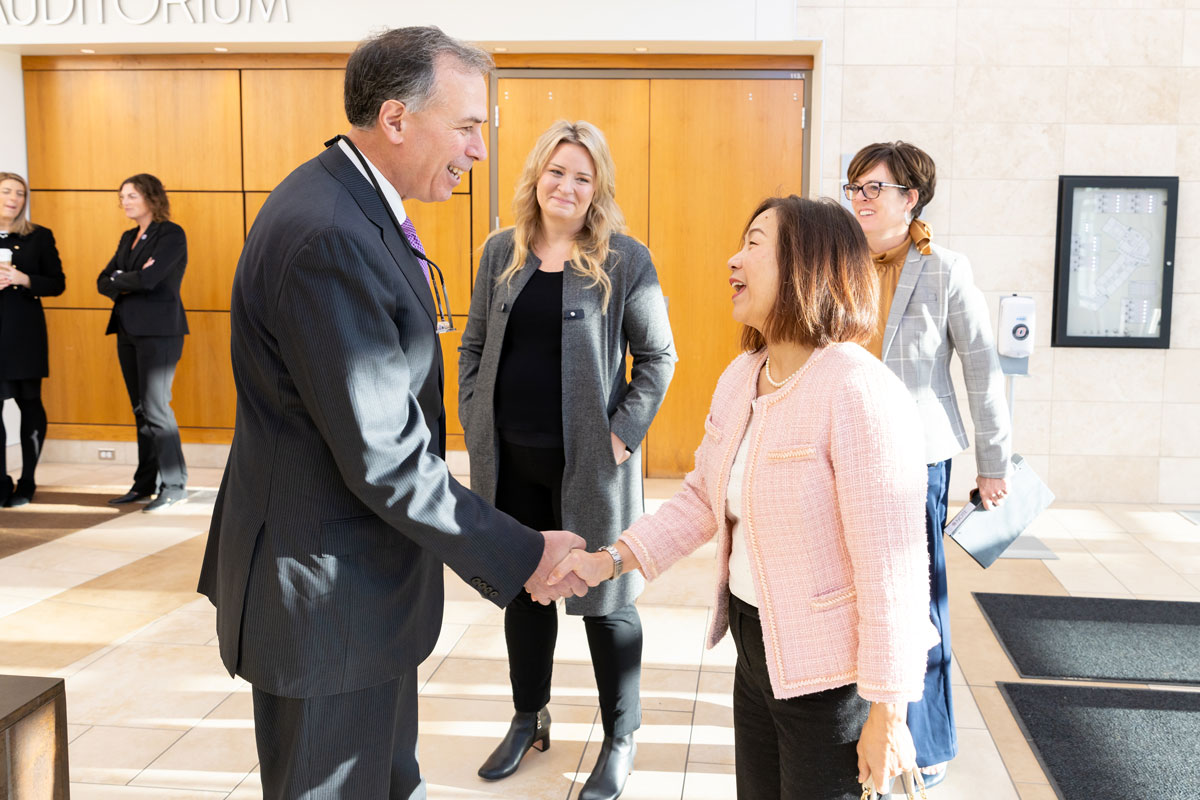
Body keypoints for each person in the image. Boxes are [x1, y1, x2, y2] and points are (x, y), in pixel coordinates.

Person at [196, 26, 588, 800]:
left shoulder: (348, 205)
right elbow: (385, 456)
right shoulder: (328, 235)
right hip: (325, 605)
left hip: (359, 598)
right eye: (468, 126)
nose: (480, 149)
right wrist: (522, 553)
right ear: (397, 119)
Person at [550, 196, 937, 800]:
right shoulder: (741, 377)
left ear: (808, 263)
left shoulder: (858, 390)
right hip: (757, 653)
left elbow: (894, 572)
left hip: (832, 681)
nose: (734, 258)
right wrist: (610, 559)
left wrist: (889, 711)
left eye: (755, 243)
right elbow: (702, 499)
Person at [459, 120, 675, 799]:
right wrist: (473, 418)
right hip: (510, 463)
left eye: (583, 177)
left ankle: (620, 736)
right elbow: (471, 347)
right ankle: (531, 717)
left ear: (597, 189)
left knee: (608, 603)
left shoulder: (625, 260)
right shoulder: (501, 251)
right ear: (537, 177)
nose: (567, 186)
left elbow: (658, 358)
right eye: (558, 172)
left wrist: (621, 435)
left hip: (591, 468)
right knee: (525, 591)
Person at [844, 141, 1012, 787]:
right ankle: (865, 722)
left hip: (918, 456)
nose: (860, 199)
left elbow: (982, 369)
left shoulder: (943, 268)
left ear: (910, 197)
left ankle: (930, 737)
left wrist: (993, 463)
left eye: (874, 188)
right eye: (854, 187)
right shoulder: (838, 263)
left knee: (919, 601)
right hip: (846, 449)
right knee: (859, 592)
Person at [96, 173, 189, 513]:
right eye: (122, 196)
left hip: (159, 332)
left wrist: (122, 278)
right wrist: (121, 278)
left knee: (155, 407)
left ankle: (175, 484)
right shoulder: (127, 237)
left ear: (151, 197)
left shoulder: (171, 234)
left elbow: (151, 279)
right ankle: (144, 483)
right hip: (127, 330)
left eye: (131, 195)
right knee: (140, 410)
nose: (125, 202)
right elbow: (102, 281)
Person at [0, 171, 65, 507]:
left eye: (20, 193)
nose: (14, 198)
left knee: (29, 405)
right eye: (8, 191)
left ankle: (27, 481)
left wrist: (23, 278)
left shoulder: (39, 236)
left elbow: (57, 283)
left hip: (24, 334)